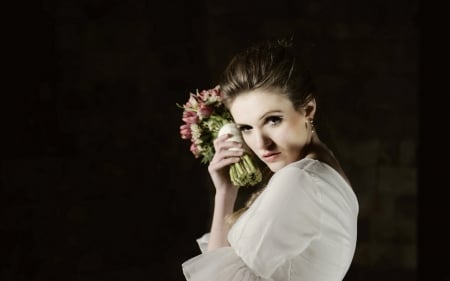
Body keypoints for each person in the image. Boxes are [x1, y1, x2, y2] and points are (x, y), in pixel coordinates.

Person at [182, 39, 359, 281]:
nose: (260, 143)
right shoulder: (325, 174)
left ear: (308, 110)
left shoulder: (299, 180)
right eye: (246, 128)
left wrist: (223, 197)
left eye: (272, 120)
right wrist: (225, 191)